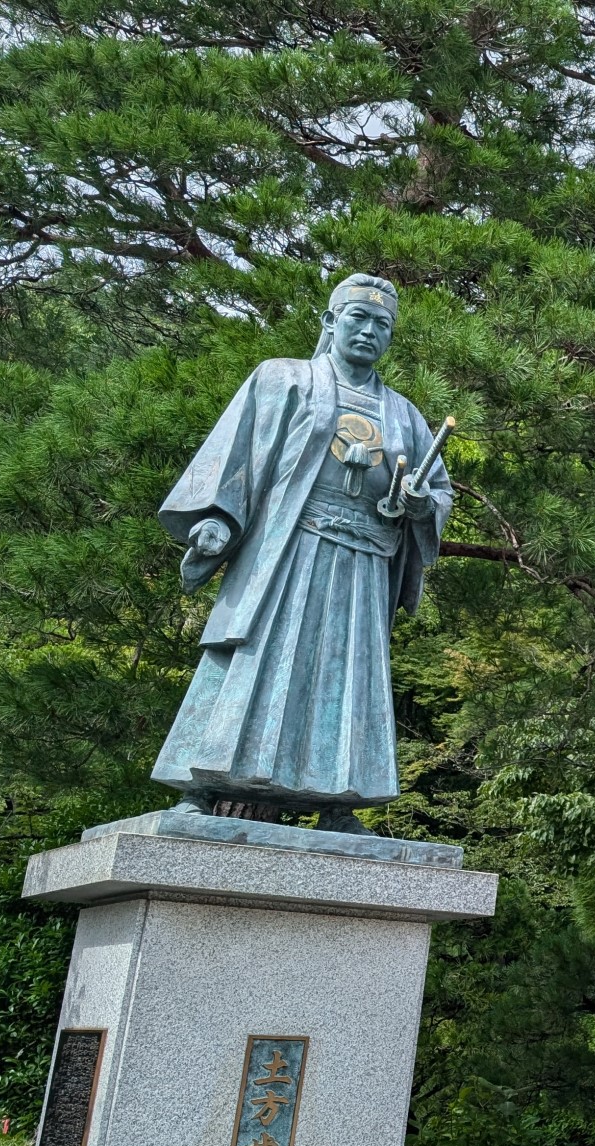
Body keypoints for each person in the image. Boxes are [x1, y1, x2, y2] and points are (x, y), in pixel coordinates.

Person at [152, 273, 452, 833]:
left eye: (381, 325)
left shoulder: (405, 414)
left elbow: (439, 491)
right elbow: (236, 454)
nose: (368, 331)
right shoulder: (282, 380)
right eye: (357, 319)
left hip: (364, 560)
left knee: (351, 674)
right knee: (259, 656)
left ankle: (338, 799)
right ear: (330, 323)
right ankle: (205, 782)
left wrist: (418, 505)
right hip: (289, 548)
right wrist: (217, 519)